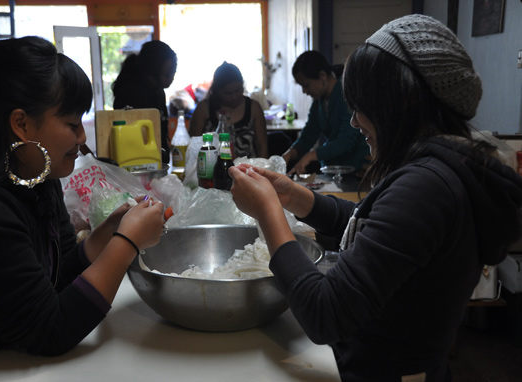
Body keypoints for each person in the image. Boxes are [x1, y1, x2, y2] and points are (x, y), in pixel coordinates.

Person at [228, 15, 522, 381]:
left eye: (361, 107)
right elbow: (375, 226)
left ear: (397, 105)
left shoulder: (426, 187)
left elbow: (325, 314)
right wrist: (294, 197)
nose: (354, 122)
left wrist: (267, 212)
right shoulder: (439, 171)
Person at [0, 36, 165, 365]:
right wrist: (127, 243)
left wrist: (105, 235)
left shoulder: (35, 175)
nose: (82, 139)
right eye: (72, 124)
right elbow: (50, 331)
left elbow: (59, 273)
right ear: (21, 124)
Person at [283, 50, 370, 175]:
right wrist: (290, 153)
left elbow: (346, 141)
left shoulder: (346, 92)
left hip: (356, 169)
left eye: (306, 85)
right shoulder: (320, 99)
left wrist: (310, 156)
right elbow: (309, 134)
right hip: (335, 169)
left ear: (323, 76)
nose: (304, 91)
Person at [111, 40, 177, 164]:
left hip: (156, 158)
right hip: (138, 161)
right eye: (168, 74)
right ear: (153, 71)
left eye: (173, 73)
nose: (171, 78)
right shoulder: (131, 92)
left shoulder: (158, 89)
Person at [189, 62, 268, 159]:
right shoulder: (204, 109)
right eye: (228, 93)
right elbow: (192, 147)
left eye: (238, 90)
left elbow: (262, 148)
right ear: (216, 91)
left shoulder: (253, 107)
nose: (234, 97)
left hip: (248, 170)